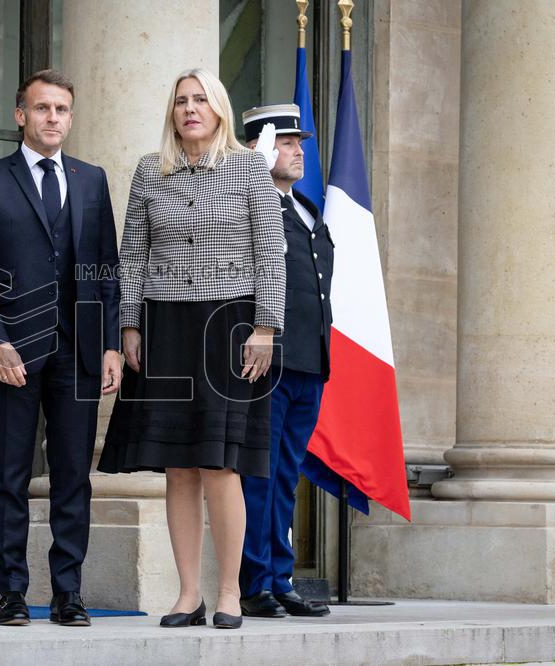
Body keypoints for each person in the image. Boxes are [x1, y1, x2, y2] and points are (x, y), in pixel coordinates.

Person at [98, 68, 285, 630]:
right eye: (181, 101)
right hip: (165, 326)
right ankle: (187, 595)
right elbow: (131, 256)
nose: (190, 109)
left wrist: (267, 328)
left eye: (201, 99)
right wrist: (129, 325)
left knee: (220, 464)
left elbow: (271, 254)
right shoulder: (149, 173)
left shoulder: (251, 167)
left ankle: (227, 593)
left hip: (230, 325)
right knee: (178, 467)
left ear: (220, 110)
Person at [0, 69, 122, 627]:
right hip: (11, 352)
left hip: (77, 352)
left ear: (71, 119)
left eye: (62, 110)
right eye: (43, 108)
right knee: (8, 475)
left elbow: (106, 271)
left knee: (74, 475)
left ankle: (67, 594)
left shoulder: (91, 180)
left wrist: (108, 346)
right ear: (20, 115)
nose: (53, 118)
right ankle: (10, 593)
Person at [238, 104, 333, 618]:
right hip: (267, 364)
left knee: (284, 475)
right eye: (288, 141)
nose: (299, 151)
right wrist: (253, 167)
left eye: (300, 143)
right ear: (261, 147)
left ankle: (281, 575)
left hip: (308, 364)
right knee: (259, 473)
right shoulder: (254, 209)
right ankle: (255, 582)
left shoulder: (307, 211)